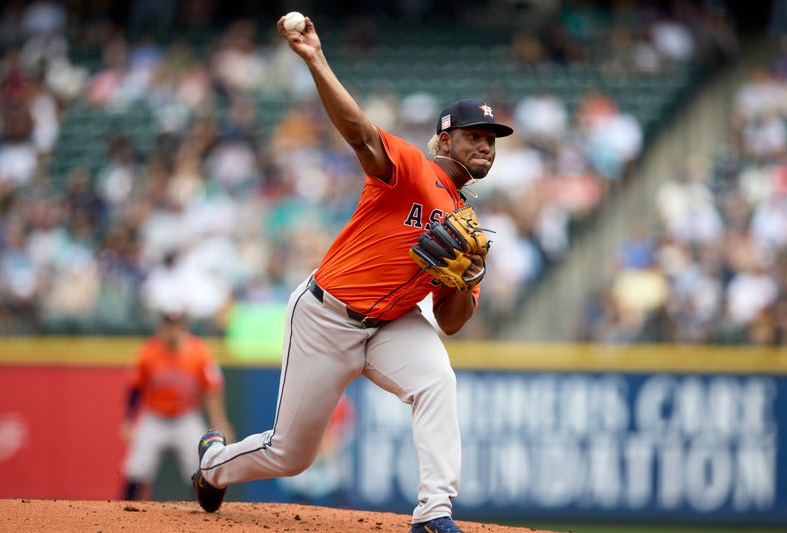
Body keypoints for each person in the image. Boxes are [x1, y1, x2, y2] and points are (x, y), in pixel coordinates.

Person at [191, 14, 513, 533]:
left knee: (437, 381)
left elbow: (451, 322)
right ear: (444, 141)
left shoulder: (471, 230)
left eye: (492, 140)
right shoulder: (411, 168)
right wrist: (315, 59)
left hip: (393, 324)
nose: (485, 146)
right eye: (474, 135)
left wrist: (458, 282)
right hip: (326, 315)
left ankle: (434, 512)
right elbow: (361, 133)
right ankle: (212, 465)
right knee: (290, 455)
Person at [120, 310, 233, 500]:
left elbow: (213, 389)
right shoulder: (149, 350)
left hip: (186, 418)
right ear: (161, 328)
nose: (173, 331)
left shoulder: (199, 352)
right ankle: (124, 515)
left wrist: (220, 422)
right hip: (155, 418)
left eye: (177, 326)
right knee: (137, 468)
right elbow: (135, 387)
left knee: (202, 469)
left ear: (184, 327)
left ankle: (203, 517)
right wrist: (128, 419)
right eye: (169, 326)